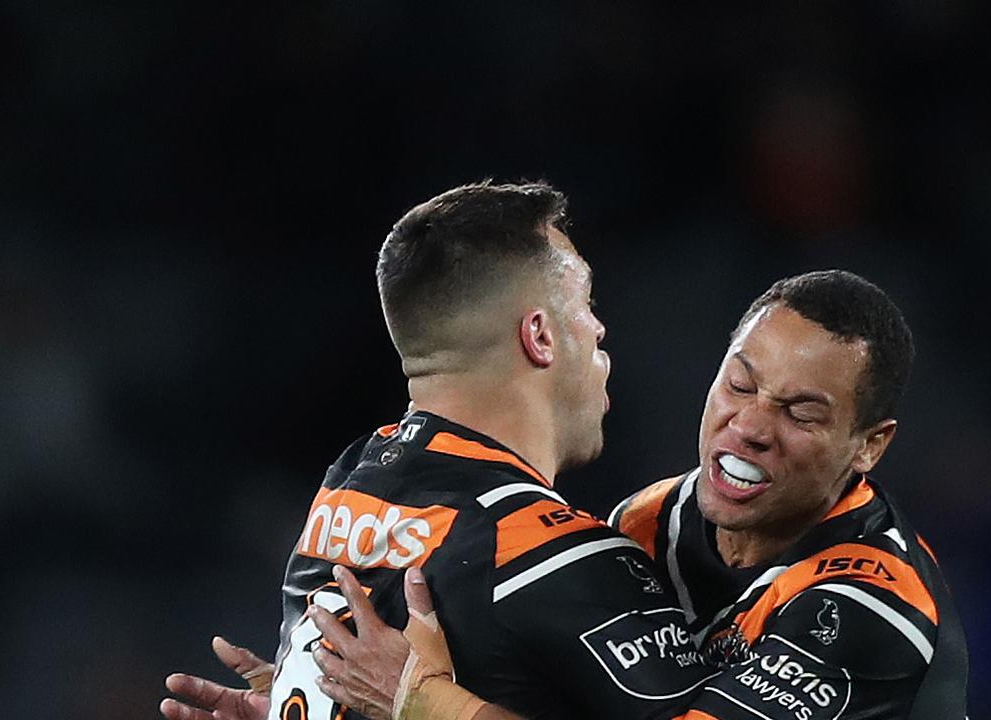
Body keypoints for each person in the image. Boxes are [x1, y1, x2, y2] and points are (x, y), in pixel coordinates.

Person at [161, 181, 717, 720]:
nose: (598, 327)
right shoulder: (557, 557)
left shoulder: (345, 484)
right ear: (540, 336)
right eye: (586, 301)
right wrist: (428, 705)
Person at [384, 271, 970, 720]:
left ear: (869, 446)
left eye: (801, 413)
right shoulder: (647, 521)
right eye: (740, 384)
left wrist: (431, 703)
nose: (750, 426)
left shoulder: (871, 606)